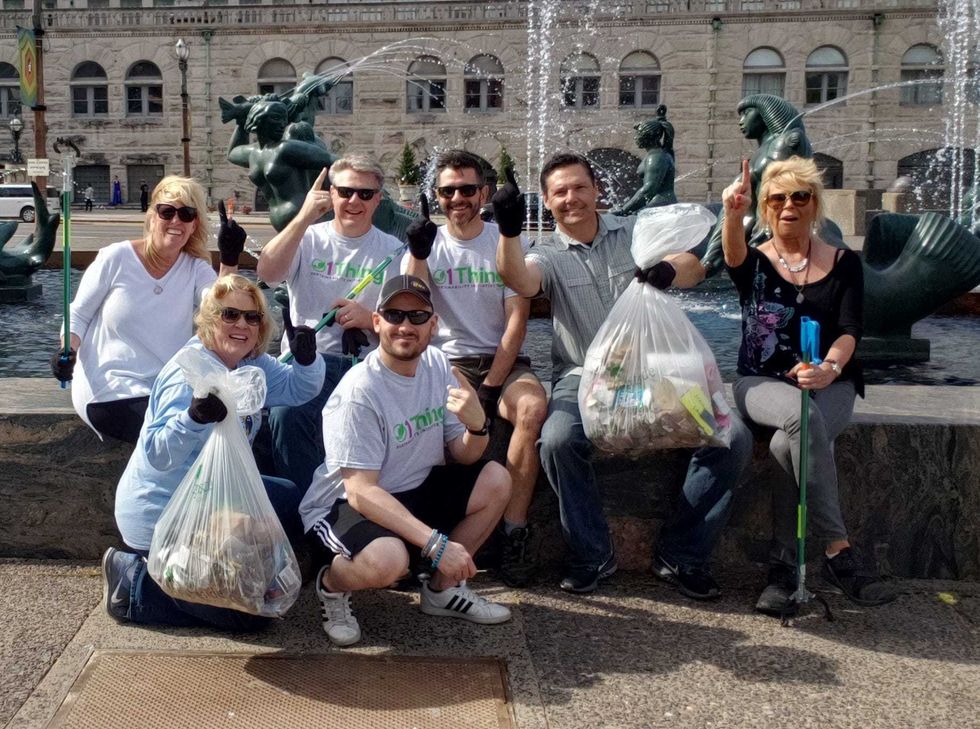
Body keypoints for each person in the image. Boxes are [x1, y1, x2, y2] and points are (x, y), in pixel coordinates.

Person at [494, 152, 754, 596]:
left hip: (660, 376)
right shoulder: (547, 254)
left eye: (580, 187)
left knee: (733, 437)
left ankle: (682, 553)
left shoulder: (634, 231)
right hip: (583, 379)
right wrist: (508, 230)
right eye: (560, 192)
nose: (571, 198)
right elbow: (520, 280)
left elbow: (694, 268)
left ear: (597, 190)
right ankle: (591, 554)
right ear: (547, 201)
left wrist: (669, 269)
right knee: (557, 440)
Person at [721, 157, 896, 616]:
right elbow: (732, 253)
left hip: (831, 383)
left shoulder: (844, 262)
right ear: (764, 207)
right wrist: (731, 214)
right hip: (761, 380)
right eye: (777, 198)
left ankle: (783, 568)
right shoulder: (754, 261)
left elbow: (850, 329)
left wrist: (831, 368)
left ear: (815, 204)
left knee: (786, 444)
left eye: (800, 196)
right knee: (799, 419)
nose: (789, 206)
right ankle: (839, 551)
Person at [101, 275, 325, 630]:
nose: (242, 324)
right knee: (250, 619)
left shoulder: (250, 364)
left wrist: (307, 359)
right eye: (230, 314)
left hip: (213, 493)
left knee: (286, 500)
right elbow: (158, 455)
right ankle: (135, 583)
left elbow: (298, 389)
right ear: (208, 319)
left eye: (252, 317)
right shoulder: (186, 375)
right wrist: (193, 418)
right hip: (164, 511)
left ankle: (216, 573)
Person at [298, 274, 512, 646]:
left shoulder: (438, 365)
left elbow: (463, 453)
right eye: (394, 315)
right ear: (377, 321)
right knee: (387, 561)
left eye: (417, 316)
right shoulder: (360, 391)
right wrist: (437, 545)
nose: (405, 326)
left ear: (434, 324)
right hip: (344, 504)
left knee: (496, 479)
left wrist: (478, 426)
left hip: (412, 487)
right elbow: (361, 492)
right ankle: (331, 586)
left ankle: (442, 591)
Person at [402, 150, 548, 587]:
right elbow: (411, 304)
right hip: (448, 362)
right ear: (437, 195)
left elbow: (516, 324)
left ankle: (514, 530)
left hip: (503, 361)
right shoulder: (427, 244)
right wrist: (418, 252)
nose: (457, 198)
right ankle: (430, 535)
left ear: (484, 193)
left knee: (531, 410)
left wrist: (490, 388)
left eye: (467, 189)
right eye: (448, 191)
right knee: (438, 422)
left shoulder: (504, 242)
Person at [51, 176, 245, 444]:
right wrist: (67, 350)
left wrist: (230, 258)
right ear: (152, 217)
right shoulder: (115, 257)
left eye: (186, 214)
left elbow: (221, 311)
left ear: (194, 225)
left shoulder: (195, 268)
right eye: (167, 211)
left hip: (167, 391)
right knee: (195, 439)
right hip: (111, 391)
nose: (176, 220)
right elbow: (79, 314)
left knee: (237, 431)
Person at [256, 154, 405, 495]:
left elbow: (406, 326)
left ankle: (354, 500)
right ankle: (306, 504)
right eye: (346, 192)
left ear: (378, 199)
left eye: (365, 194)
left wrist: (370, 319)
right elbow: (267, 273)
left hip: (364, 365)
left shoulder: (394, 251)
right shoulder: (308, 238)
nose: (354, 201)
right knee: (286, 415)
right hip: (306, 363)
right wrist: (304, 216)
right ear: (332, 193)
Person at [701, 94, 813, 277]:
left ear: (765, 113)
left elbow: (776, 200)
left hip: (767, 241)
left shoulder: (785, 142)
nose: (741, 122)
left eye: (747, 113)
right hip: (746, 233)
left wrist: (757, 251)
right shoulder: (763, 150)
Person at [226, 96, 337, 232]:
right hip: (285, 224)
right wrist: (241, 120)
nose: (282, 124)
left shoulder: (287, 148)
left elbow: (336, 161)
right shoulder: (253, 152)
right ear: (258, 119)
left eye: (284, 119)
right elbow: (232, 153)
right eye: (276, 118)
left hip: (307, 220)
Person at [610, 110, 677, 215]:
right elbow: (668, 142)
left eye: (638, 134)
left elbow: (649, 189)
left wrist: (624, 210)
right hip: (660, 202)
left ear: (647, 136)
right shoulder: (662, 153)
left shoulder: (655, 158)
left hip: (659, 205)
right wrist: (661, 119)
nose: (635, 137)